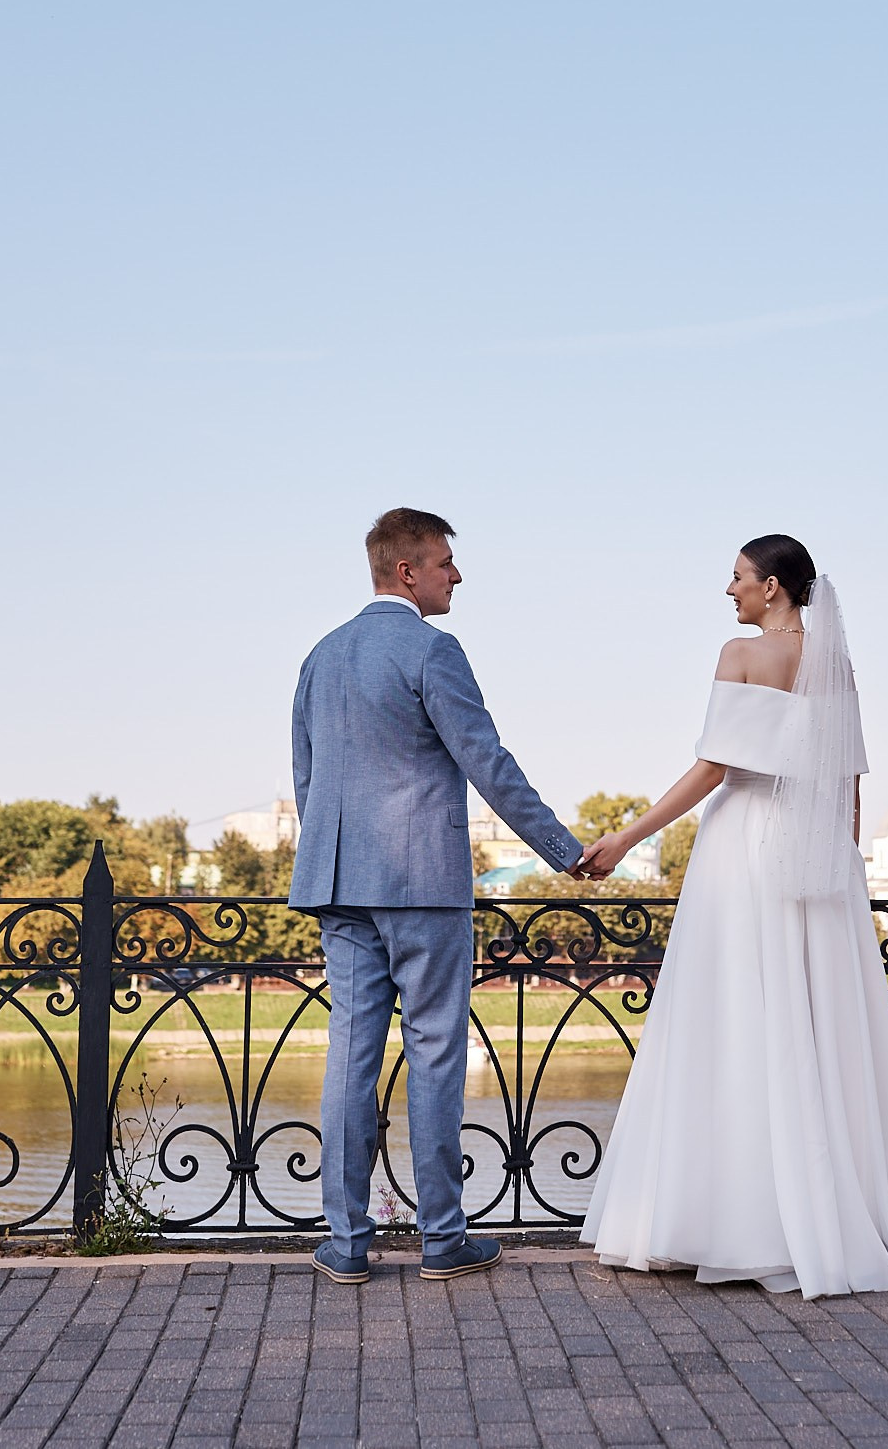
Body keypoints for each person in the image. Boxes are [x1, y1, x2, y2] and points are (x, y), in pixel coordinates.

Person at [575, 535, 888, 1297]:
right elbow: (849, 782)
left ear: (772, 586)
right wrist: (841, 863)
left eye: (738, 576)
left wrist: (625, 838)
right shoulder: (836, 664)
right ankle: (830, 1213)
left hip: (743, 845)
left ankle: (720, 1216)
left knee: (733, 1014)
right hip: (818, 849)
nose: (729, 588)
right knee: (813, 1020)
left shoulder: (740, 653)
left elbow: (714, 767)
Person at [290, 507, 590, 1284]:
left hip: (338, 883)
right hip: (422, 883)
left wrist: (332, 861)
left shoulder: (321, 655)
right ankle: (442, 1239)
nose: (456, 574)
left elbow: (308, 778)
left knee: (350, 1055)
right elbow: (488, 762)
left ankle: (346, 1243)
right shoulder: (433, 650)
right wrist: (563, 849)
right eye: (445, 562)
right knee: (433, 1053)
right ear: (407, 571)